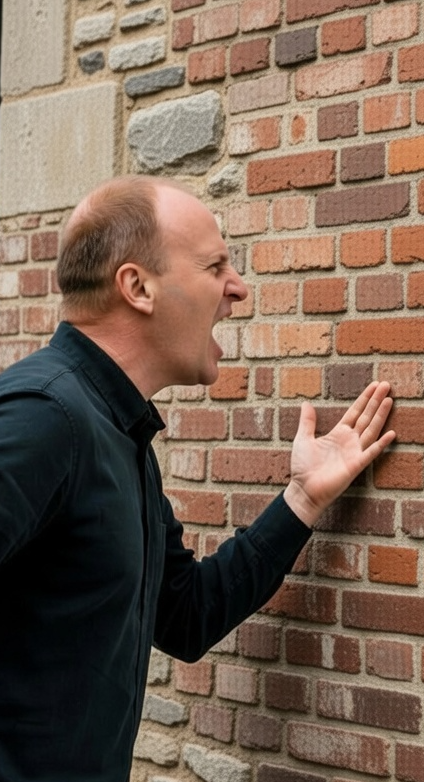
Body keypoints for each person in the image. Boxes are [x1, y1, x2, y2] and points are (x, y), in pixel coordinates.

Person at [0, 175, 395, 781]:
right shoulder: (46, 418)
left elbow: (186, 616)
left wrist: (302, 498)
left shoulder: (115, 432)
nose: (238, 288)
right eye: (215, 266)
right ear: (138, 287)